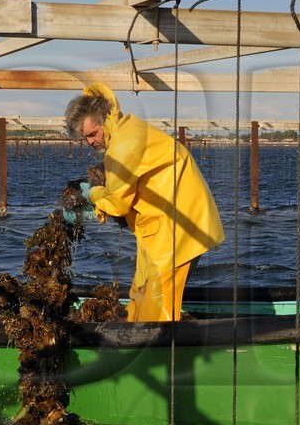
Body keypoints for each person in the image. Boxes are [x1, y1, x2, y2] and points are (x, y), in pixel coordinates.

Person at [63, 82, 223, 322]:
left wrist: (92, 194)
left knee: (157, 310)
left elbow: (117, 203)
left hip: (179, 229)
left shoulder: (124, 145)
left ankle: (159, 351)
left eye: (92, 134)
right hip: (158, 227)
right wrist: (96, 209)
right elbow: (128, 192)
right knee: (139, 292)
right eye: (84, 137)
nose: (89, 142)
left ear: (105, 119)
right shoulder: (127, 132)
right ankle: (135, 336)